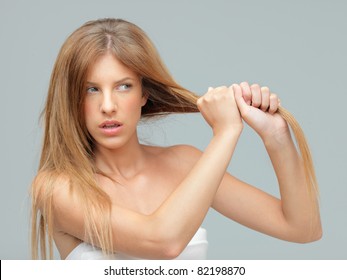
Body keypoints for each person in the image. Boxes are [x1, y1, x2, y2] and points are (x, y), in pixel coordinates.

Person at [31, 18, 322, 260]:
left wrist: (276, 135)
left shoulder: (184, 163)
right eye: (91, 90)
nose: (108, 106)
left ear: (144, 93)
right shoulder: (57, 189)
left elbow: (303, 228)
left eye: (123, 86)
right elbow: (163, 242)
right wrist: (226, 133)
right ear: (71, 99)